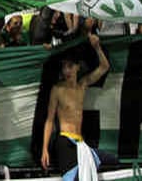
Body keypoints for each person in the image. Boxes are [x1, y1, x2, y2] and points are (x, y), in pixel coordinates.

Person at [40, 35, 111, 181]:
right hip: (64, 140)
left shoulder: (82, 85)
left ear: (78, 67)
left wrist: (97, 47)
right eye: (64, 67)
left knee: (111, 159)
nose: (66, 71)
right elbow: (49, 120)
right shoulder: (57, 89)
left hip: (81, 144)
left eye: (70, 66)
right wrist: (44, 149)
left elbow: (105, 67)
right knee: (74, 177)